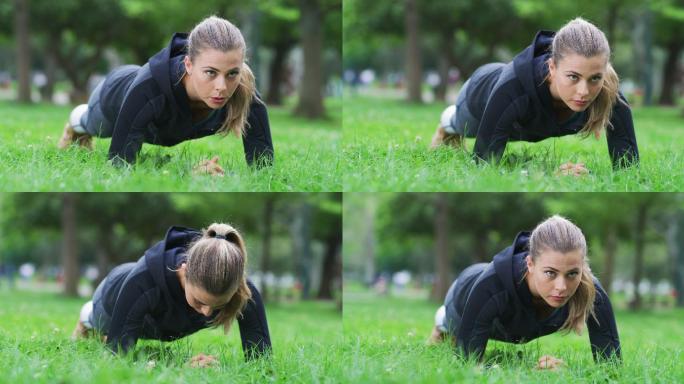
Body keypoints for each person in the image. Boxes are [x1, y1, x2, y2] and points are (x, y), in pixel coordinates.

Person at [58, 16, 274, 173]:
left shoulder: (244, 91)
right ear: (188, 64)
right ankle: (76, 119)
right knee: (90, 124)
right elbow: (119, 165)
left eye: (232, 73)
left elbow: (264, 171)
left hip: (161, 123)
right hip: (114, 96)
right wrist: (188, 175)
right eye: (210, 72)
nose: (222, 87)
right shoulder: (148, 89)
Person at [431, 18, 638, 174]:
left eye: (594, 78)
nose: (584, 92)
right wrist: (549, 175)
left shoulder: (609, 93)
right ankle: (447, 120)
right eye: (573, 77)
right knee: (461, 125)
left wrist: (589, 177)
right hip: (480, 94)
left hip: (527, 120)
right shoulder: (510, 90)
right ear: (552, 67)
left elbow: (628, 171)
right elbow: (483, 168)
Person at [429, 215, 621, 369]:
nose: (561, 287)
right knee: (454, 329)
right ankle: (443, 321)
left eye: (572, 273)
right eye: (550, 273)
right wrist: (529, 371)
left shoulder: (591, 290)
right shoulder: (490, 286)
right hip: (464, 295)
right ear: (530, 263)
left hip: (525, 323)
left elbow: (611, 367)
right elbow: (467, 365)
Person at [72, 223, 271, 365]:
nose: (207, 313)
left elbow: (261, 363)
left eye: (217, 305)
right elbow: (116, 360)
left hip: (166, 320)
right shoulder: (141, 283)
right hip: (113, 294)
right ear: (184, 271)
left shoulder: (242, 291)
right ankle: (86, 316)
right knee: (104, 328)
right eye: (200, 301)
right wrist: (179, 367)